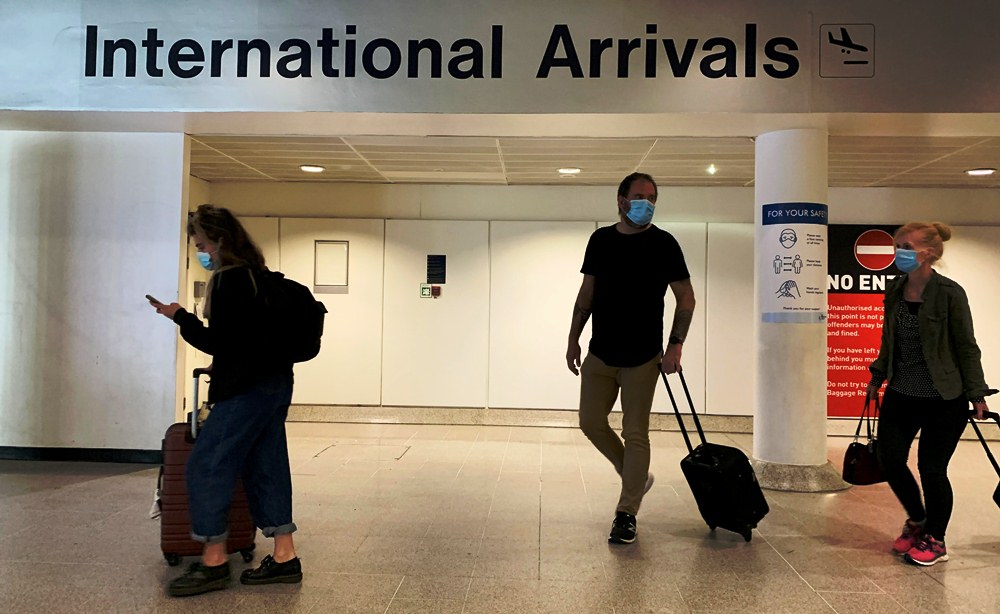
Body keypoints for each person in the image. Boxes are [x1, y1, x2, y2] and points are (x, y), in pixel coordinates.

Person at [151, 204, 302, 596]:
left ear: (219, 242)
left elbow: (217, 342)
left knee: (206, 465)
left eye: (202, 245)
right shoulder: (261, 277)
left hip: (243, 391)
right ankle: (284, 555)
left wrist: (180, 316)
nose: (201, 252)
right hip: (276, 384)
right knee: (267, 464)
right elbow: (249, 340)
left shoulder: (228, 281)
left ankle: (214, 560)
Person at [566, 172, 696, 544]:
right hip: (600, 353)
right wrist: (573, 339)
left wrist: (675, 345)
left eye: (652, 197)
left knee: (635, 431)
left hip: (643, 357)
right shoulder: (601, 240)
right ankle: (635, 475)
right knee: (591, 422)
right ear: (621, 200)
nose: (646, 203)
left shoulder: (664, 244)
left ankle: (626, 513)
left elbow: (686, 297)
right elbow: (586, 295)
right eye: (640, 196)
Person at [867, 221, 996, 566]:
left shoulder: (950, 293)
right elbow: (888, 339)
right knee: (890, 459)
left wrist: (977, 394)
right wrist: (877, 375)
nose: (899, 253)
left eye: (906, 247)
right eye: (897, 246)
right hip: (901, 392)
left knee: (932, 469)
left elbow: (967, 346)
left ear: (929, 253)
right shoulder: (895, 289)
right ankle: (918, 519)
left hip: (944, 397)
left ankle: (936, 539)